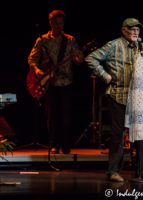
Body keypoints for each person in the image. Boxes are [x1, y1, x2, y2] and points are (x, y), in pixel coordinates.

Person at [85, 18, 143, 182]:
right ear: (123, 30)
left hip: (137, 97)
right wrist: (104, 75)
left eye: (137, 30)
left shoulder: (141, 47)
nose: (135, 33)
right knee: (118, 135)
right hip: (118, 95)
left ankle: (142, 171)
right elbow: (91, 58)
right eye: (132, 29)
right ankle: (113, 171)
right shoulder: (114, 45)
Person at [28, 10, 84, 154]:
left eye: (61, 23)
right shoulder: (43, 40)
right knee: (51, 117)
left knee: (66, 116)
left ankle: (65, 145)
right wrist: (37, 70)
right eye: (56, 23)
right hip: (49, 83)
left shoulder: (70, 40)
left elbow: (77, 61)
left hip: (66, 82)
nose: (59, 26)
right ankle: (54, 145)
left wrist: (80, 59)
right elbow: (32, 58)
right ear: (51, 23)